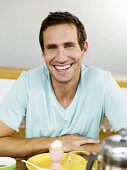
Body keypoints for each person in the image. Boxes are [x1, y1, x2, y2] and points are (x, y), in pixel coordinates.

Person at [0, 11, 127, 157]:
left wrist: (74, 147)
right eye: (52, 47)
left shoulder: (102, 82)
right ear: (43, 53)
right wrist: (56, 143)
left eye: (69, 46)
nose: (61, 58)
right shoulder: (27, 81)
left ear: (83, 48)